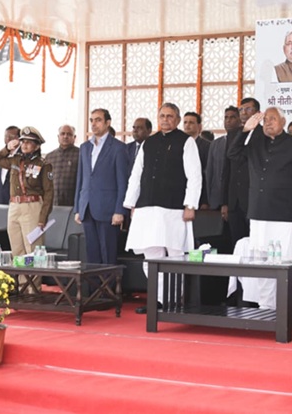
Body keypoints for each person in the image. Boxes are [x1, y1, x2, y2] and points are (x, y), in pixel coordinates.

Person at [123, 102, 202, 315]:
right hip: (147, 208)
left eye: (170, 116)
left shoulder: (186, 142)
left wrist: (190, 205)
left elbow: (194, 176)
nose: (165, 120)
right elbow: (136, 174)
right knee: (151, 258)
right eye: (162, 116)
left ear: (177, 120)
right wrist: (132, 203)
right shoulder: (148, 142)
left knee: (175, 255)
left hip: (174, 209)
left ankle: (173, 300)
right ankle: (158, 300)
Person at [228, 107, 292, 309]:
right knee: (261, 260)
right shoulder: (256, 141)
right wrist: (245, 131)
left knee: (283, 260)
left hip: (283, 211)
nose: (268, 123)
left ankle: (285, 307)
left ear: (283, 122)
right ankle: (266, 306)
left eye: (273, 119)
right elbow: (233, 153)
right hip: (258, 211)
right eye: (265, 120)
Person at [74, 109, 129, 265]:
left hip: (108, 209)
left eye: (98, 120)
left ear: (108, 123)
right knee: (91, 254)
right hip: (87, 207)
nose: (93, 124)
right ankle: (94, 283)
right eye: (91, 120)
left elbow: (122, 182)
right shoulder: (85, 147)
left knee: (108, 254)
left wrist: (120, 210)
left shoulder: (118, 147)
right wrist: (78, 208)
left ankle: (109, 282)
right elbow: (80, 179)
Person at [0, 127, 54, 257]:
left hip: (32, 207)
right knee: (16, 249)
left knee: (33, 249)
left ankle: (34, 272)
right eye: (23, 141)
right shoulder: (16, 160)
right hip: (14, 206)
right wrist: (7, 148)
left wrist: (43, 218)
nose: (24, 145)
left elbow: (49, 193)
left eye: (29, 142)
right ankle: (20, 272)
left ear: (37, 146)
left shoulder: (43, 164)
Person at [223, 98, 258, 248]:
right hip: (234, 200)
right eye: (241, 109)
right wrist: (225, 202)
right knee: (236, 243)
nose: (244, 112)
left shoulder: (264, 133)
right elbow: (227, 168)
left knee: (255, 243)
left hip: (254, 199)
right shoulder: (233, 134)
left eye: (248, 109)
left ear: (257, 113)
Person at [206, 106, 240, 211]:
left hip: (236, 198)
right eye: (226, 118)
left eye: (232, 117)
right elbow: (210, 172)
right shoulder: (216, 144)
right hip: (216, 198)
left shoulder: (243, 142)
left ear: (239, 120)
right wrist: (207, 199)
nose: (228, 121)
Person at [46, 125, 79, 206]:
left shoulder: (81, 154)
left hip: (73, 204)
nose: (65, 136)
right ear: (58, 137)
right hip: (53, 203)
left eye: (69, 134)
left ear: (74, 137)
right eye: (62, 134)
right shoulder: (49, 157)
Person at [184, 112, 211, 209]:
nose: (187, 125)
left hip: (199, 197)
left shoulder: (207, 146)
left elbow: (207, 174)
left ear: (199, 126)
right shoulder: (178, 145)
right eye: (185, 122)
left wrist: (205, 200)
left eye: (191, 122)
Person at [0, 126, 20, 205]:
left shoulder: (23, 157)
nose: (8, 139)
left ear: (18, 139)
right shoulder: (0, 157)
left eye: (11, 137)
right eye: (6, 136)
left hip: (15, 205)